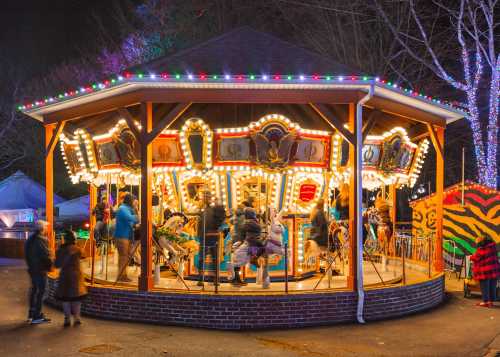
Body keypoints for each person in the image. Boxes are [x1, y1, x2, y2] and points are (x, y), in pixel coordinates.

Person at [55, 230, 88, 326]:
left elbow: (57, 265)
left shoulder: (60, 250)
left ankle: (67, 319)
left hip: (64, 276)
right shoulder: (77, 249)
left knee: (65, 299)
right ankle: (77, 318)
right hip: (76, 276)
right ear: (74, 239)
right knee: (76, 299)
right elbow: (84, 255)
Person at [25, 220, 52, 324]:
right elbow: (46, 256)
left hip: (32, 269)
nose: (46, 229)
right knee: (42, 292)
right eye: (45, 227)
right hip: (40, 270)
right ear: (42, 228)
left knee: (34, 291)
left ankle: (31, 314)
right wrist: (50, 267)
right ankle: (37, 316)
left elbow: (27, 255)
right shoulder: (41, 240)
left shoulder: (29, 239)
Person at [196, 191, 226, 285]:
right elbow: (200, 223)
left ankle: (215, 279)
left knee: (214, 258)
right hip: (205, 236)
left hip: (212, 236)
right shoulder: (203, 210)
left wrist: (219, 204)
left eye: (207, 197)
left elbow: (221, 217)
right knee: (202, 258)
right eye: (205, 197)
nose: (206, 199)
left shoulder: (214, 209)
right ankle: (201, 278)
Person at [114, 194, 139, 282]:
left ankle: (123, 275)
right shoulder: (122, 209)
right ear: (130, 201)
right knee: (123, 257)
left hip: (126, 236)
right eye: (133, 201)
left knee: (126, 257)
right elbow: (130, 218)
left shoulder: (127, 209)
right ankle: (121, 276)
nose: (134, 203)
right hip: (122, 236)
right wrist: (138, 215)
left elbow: (132, 221)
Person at [471, 236, 500, 307]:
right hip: (494, 269)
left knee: (484, 286)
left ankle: (485, 302)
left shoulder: (482, 249)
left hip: (485, 271)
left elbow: (476, 258)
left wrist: (471, 257)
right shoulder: (493, 247)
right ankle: (490, 301)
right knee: (492, 285)